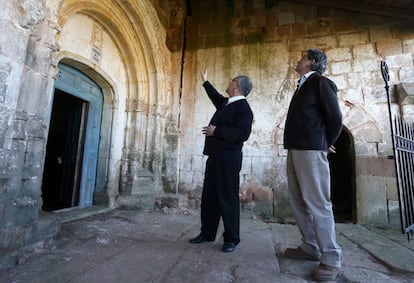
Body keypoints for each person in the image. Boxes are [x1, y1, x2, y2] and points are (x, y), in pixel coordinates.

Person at [283, 49, 343, 281]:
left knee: (318, 202)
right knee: (298, 199)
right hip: (296, 148)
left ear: (312, 62)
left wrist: (325, 142)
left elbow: (335, 117)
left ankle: (330, 258)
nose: (298, 61)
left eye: (302, 58)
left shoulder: (321, 83)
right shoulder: (302, 86)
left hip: (311, 149)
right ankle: (309, 246)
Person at [189, 69, 254, 253]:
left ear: (237, 85)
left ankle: (232, 239)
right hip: (215, 157)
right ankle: (207, 233)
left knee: (228, 198)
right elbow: (216, 97)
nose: (229, 81)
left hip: (228, 159)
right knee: (209, 197)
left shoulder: (244, 108)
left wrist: (216, 131)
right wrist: (205, 82)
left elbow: (243, 134)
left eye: (231, 80)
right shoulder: (227, 103)